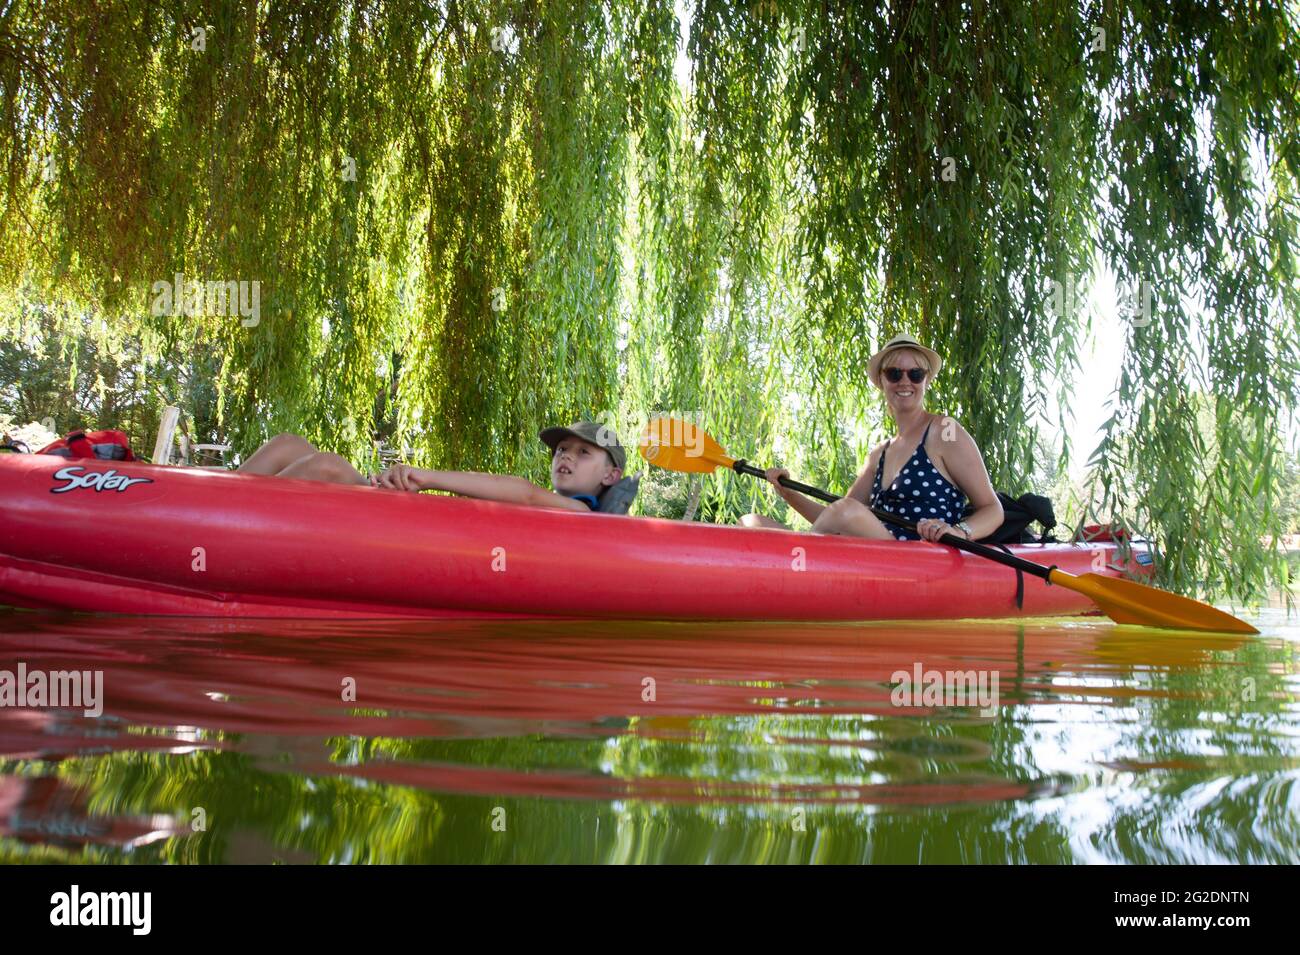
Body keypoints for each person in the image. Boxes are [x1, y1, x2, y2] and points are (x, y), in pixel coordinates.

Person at [740, 334, 1003, 542]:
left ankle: (798, 568)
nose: (905, 381)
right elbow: (832, 519)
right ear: (881, 380)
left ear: (927, 381)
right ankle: (796, 567)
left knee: (847, 510)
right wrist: (787, 492)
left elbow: (993, 508)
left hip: (920, 560)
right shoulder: (880, 453)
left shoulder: (945, 430)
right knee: (752, 522)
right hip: (875, 556)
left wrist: (959, 531)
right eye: (893, 373)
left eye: (915, 374)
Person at [238, 421, 628, 513]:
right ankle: (200, 507)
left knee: (327, 467)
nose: (566, 457)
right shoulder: (556, 504)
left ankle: (226, 524)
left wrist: (423, 477)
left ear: (610, 477)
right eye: (563, 449)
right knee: (289, 443)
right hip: (405, 523)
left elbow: (522, 490)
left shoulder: (581, 513)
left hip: (395, 539)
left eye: (583, 453)